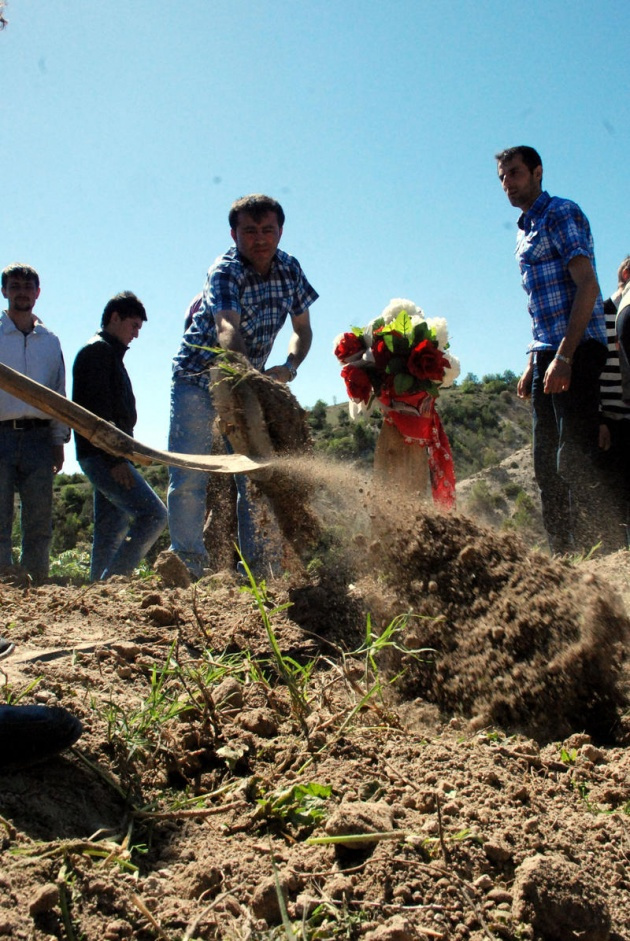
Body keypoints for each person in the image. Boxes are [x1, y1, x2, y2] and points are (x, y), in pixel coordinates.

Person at [167, 194, 318, 579]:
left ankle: (263, 571)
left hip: (247, 382)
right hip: (198, 379)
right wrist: (246, 373)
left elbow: (303, 329)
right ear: (234, 234)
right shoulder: (225, 270)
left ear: (280, 231)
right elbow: (227, 328)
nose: (260, 239)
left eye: (268, 230)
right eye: (249, 231)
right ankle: (188, 568)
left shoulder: (290, 269)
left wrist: (289, 366)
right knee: (189, 474)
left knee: (255, 476)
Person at [495, 146, 607, 554]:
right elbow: (541, 305)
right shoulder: (525, 227)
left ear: (538, 172)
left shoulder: (560, 213)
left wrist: (565, 356)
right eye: (503, 177)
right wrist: (534, 360)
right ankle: (563, 553)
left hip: (576, 348)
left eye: (516, 173)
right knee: (544, 462)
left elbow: (588, 286)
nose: (508, 182)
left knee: (573, 457)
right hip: (547, 351)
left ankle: (601, 552)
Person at [72, 292, 167, 581]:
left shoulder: (107, 354)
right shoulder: (98, 353)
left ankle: (97, 591)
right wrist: (114, 459)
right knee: (154, 516)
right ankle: (113, 581)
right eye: (133, 326)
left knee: (110, 528)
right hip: (103, 455)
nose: (136, 334)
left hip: (102, 455)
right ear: (115, 318)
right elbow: (97, 413)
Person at [0, 263, 69, 582]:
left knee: (39, 521)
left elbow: (58, 394)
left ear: (38, 294)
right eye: (15, 286)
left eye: (28, 287)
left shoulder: (50, 341)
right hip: (1, 435)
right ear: (4, 292)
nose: (22, 292)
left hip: (40, 439)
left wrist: (58, 441)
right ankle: (4, 590)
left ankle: (36, 586)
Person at [598, 256, 630, 550]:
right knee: (612, 501)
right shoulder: (600, 314)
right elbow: (589, 371)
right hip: (609, 423)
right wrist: (600, 420)